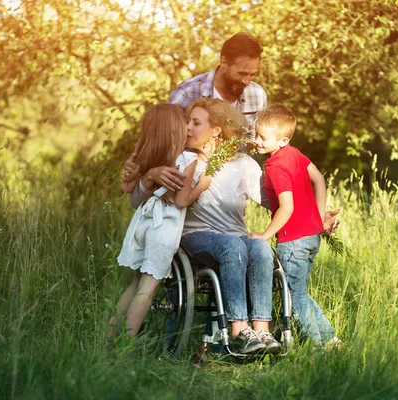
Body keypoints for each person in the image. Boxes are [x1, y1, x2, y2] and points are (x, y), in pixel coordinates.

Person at [129, 98, 281, 354]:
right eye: (187, 121)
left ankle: (262, 331)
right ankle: (239, 331)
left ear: (216, 130)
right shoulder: (183, 161)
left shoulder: (243, 165)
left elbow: (274, 202)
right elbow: (141, 197)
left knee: (260, 246)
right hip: (196, 239)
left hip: (235, 238)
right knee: (234, 245)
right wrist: (148, 174)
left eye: (195, 122)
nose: (187, 127)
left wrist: (315, 217)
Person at [109, 104, 211, 338]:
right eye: (184, 124)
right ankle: (125, 345)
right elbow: (182, 201)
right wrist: (202, 186)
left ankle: (108, 339)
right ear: (173, 130)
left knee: (134, 285)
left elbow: (127, 188)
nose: (188, 128)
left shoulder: (150, 158)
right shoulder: (187, 158)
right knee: (147, 291)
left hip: (142, 224)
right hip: (163, 229)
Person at [123, 32, 267, 192]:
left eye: (252, 74)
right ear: (223, 62)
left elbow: (252, 144)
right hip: (184, 185)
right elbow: (162, 141)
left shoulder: (257, 95)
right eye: (241, 73)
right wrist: (141, 165)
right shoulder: (187, 92)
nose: (246, 81)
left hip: (231, 191)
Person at [250, 104, 343, 349]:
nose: (256, 140)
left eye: (263, 137)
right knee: (298, 291)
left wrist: (264, 235)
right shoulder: (294, 153)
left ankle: (321, 345)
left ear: (283, 140)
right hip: (311, 237)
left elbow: (286, 207)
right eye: (256, 133)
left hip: (293, 241)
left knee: (293, 295)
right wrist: (320, 215)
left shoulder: (275, 166)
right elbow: (319, 179)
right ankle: (330, 339)